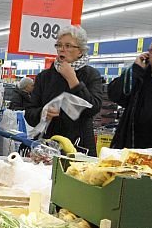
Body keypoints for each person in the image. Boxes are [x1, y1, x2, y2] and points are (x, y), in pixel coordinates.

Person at [25, 25, 103, 156]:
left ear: (80, 51)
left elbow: (93, 108)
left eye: (68, 46)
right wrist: (42, 113)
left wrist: (73, 80)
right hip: (48, 145)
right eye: (59, 45)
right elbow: (29, 113)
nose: (62, 49)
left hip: (80, 145)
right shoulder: (44, 77)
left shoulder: (91, 75)